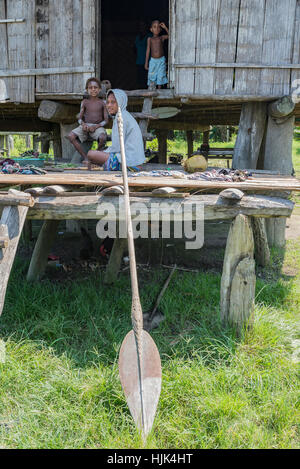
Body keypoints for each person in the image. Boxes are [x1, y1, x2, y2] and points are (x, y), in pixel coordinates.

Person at [87, 89, 145, 171]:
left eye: (113, 102)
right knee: (97, 154)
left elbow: (116, 147)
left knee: (91, 154)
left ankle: (123, 167)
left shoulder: (121, 118)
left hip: (129, 162)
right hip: (132, 160)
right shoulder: (123, 115)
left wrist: (101, 153)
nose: (109, 105)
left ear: (121, 102)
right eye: (108, 102)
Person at [68, 77, 109, 164]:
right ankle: (85, 157)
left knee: (103, 137)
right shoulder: (84, 102)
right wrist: (83, 125)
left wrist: (96, 126)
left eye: (95, 87)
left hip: (97, 126)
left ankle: (95, 155)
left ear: (99, 89)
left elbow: (106, 120)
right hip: (85, 125)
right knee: (71, 136)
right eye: (90, 88)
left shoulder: (103, 103)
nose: (93, 90)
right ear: (87, 90)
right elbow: (80, 118)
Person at [145, 20, 169, 89]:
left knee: (160, 76)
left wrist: (165, 27)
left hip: (161, 60)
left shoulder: (162, 37)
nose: (157, 29)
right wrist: (146, 63)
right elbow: (148, 51)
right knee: (152, 76)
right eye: (154, 27)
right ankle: (152, 90)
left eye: (158, 27)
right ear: (151, 29)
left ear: (160, 29)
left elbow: (171, 36)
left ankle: (159, 91)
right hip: (153, 61)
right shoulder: (150, 39)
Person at [134, 21, 152, 89]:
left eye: (143, 26)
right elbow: (135, 48)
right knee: (140, 79)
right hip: (139, 62)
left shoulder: (149, 36)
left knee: (148, 80)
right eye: (140, 26)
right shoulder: (138, 37)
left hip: (148, 62)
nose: (142, 27)